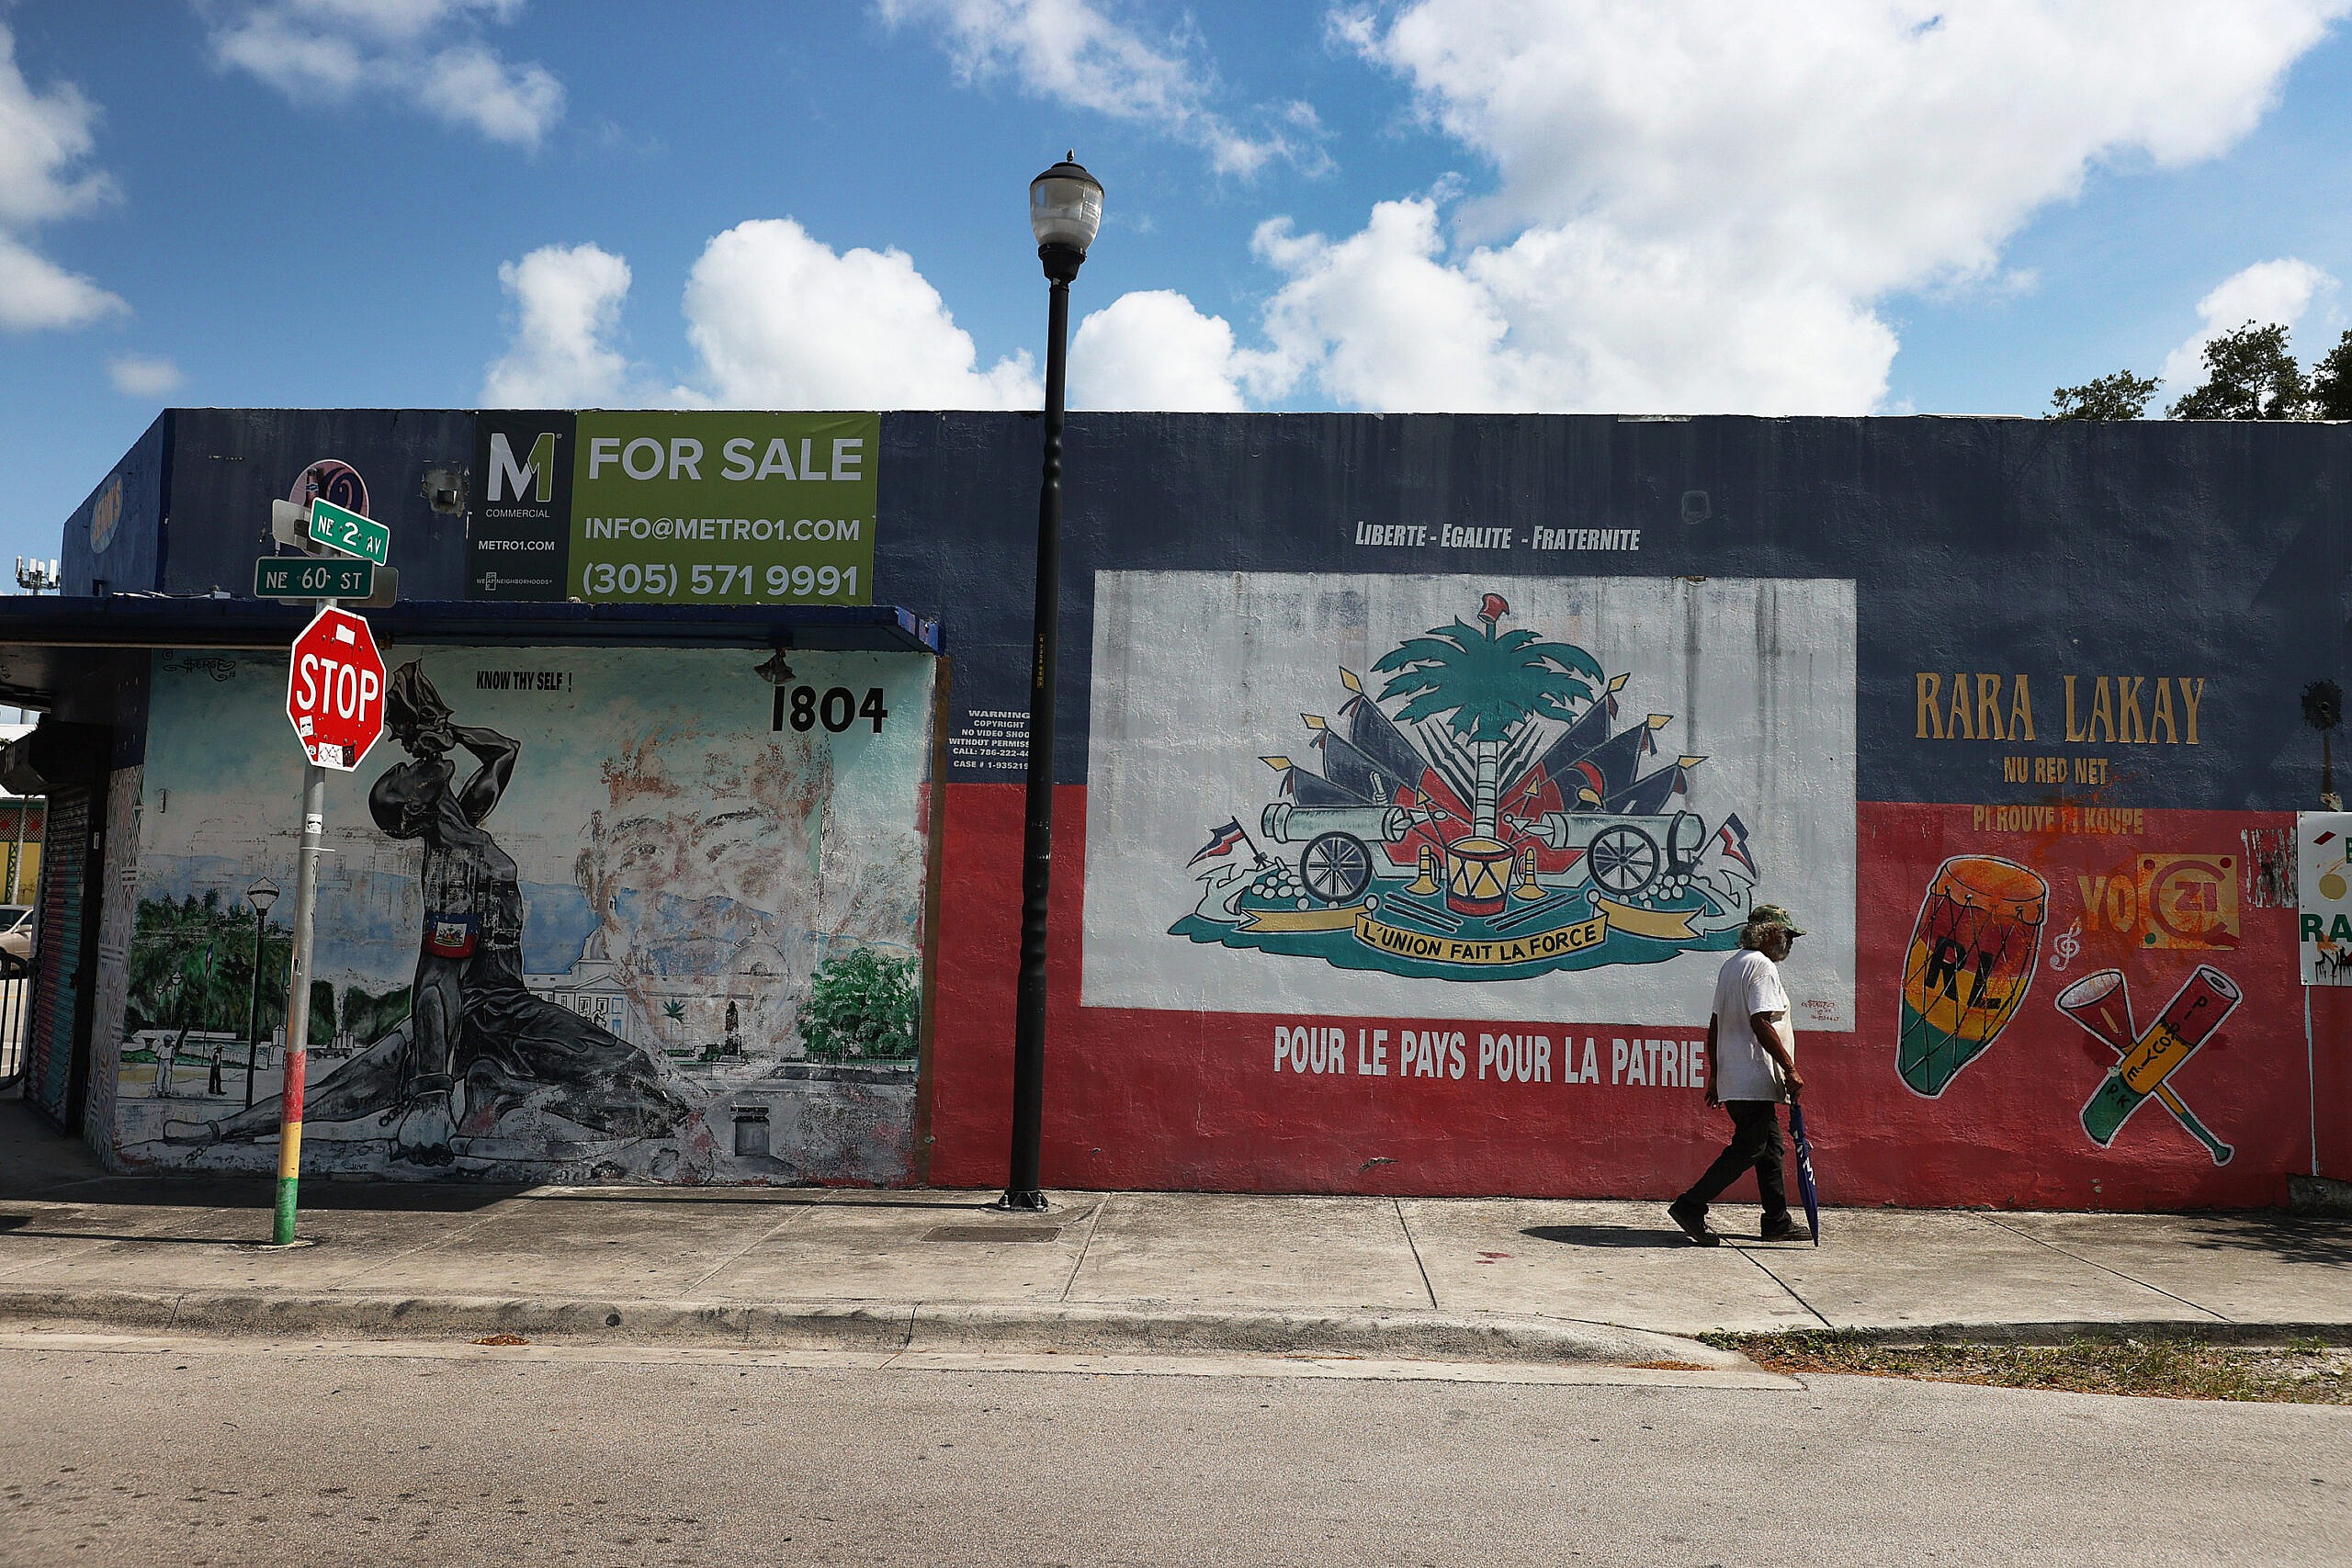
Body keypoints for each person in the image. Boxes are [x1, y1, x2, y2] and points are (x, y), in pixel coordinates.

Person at [1669, 904, 1809, 1245]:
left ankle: (1776, 1221)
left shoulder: (1732, 965)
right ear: (1770, 933)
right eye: (1787, 935)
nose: (1790, 943)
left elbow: (1716, 1024)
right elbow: (1760, 1021)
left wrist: (1716, 1076)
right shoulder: (1762, 966)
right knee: (1751, 1146)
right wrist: (1789, 1068)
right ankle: (1690, 1205)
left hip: (1737, 1077)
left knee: (1770, 1148)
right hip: (1753, 1076)